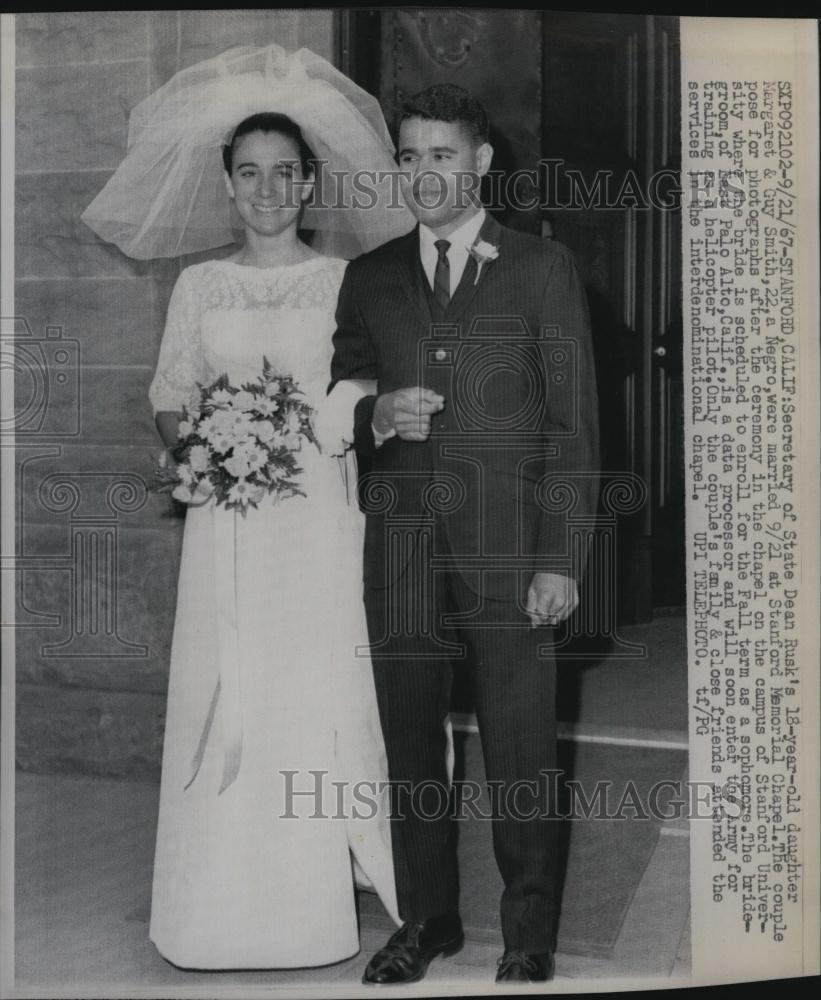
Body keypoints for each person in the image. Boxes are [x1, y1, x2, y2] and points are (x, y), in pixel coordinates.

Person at [81, 45, 415, 970]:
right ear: (227, 186)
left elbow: (361, 390)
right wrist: (199, 442)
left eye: (284, 173)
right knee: (227, 682)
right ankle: (218, 902)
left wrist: (302, 429)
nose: (267, 190)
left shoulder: (342, 280)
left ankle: (312, 895)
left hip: (314, 515)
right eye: (249, 174)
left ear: (309, 185)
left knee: (309, 683)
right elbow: (168, 389)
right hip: (227, 516)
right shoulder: (200, 285)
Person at [330, 83, 600, 985]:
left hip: (512, 552)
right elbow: (343, 390)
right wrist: (374, 414)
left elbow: (573, 428)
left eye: (441, 155)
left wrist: (560, 562)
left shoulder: (540, 267)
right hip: (401, 552)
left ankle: (527, 935)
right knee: (411, 745)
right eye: (408, 157)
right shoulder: (369, 275)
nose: (422, 174)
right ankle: (427, 920)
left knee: (521, 747)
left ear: (479, 162)